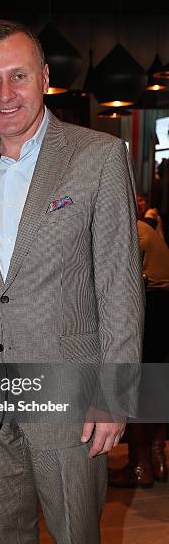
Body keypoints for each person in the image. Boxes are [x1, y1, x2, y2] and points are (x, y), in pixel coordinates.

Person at [0, 20, 144, 544]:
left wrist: (113, 397)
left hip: (68, 390)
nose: (6, 93)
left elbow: (119, 283)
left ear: (44, 78)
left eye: (18, 76)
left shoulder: (97, 156)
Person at [109, 194, 169, 488]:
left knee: (133, 388)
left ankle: (139, 465)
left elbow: (119, 278)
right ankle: (157, 460)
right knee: (155, 390)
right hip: (162, 312)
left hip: (148, 311)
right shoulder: (149, 230)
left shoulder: (132, 231)